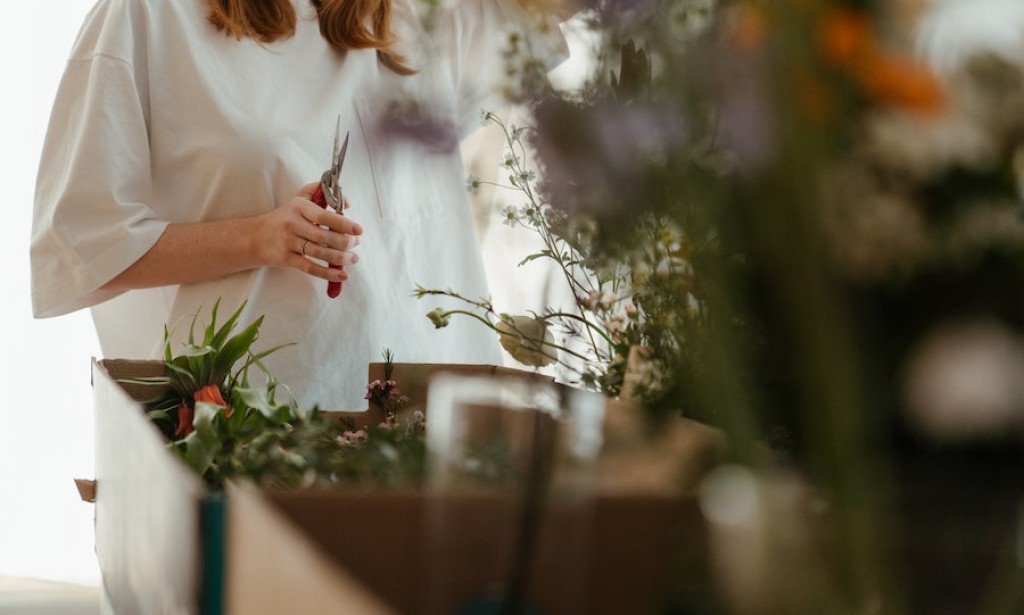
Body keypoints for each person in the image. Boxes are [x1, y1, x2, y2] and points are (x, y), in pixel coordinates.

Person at [30, 0, 568, 410]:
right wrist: (260, 238)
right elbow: (81, 247)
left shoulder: (414, 16)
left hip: (432, 420)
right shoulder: (148, 16)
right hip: (254, 421)